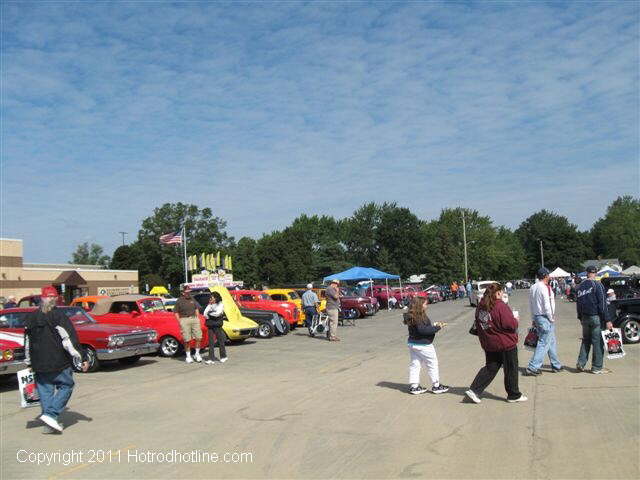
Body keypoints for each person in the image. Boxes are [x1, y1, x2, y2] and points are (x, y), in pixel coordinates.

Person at [24, 285, 89, 433]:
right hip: (58, 362)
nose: (53, 299)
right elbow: (69, 340)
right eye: (52, 297)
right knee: (67, 385)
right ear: (49, 298)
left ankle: (49, 425)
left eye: (53, 296)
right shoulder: (59, 316)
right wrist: (82, 357)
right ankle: (51, 415)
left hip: (39, 364)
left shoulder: (32, 317)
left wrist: (28, 361)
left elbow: (27, 342)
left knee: (45, 391)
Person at [465, 283, 526, 404]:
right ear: (498, 293)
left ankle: (474, 390)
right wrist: (516, 320)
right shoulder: (500, 306)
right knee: (511, 369)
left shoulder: (481, 306)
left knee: (491, 367)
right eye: (502, 292)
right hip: (505, 343)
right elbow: (510, 324)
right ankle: (513, 394)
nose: (503, 294)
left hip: (489, 343)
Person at [403, 297, 449, 395]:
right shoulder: (417, 316)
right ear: (419, 305)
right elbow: (422, 330)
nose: (426, 306)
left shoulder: (412, 315)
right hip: (423, 344)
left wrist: (433, 326)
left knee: (415, 364)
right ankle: (436, 386)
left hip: (413, 343)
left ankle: (414, 386)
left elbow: (422, 328)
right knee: (432, 363)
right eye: (425, 304)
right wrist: (437, 327)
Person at [525, 267, 563, 376]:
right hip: (545, 317)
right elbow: (547, 305)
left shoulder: (533, 287)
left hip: (537, 316)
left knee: (550, 341)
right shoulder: (545, 287)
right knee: (544, 342)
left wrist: (533, 318)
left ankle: (556, 365)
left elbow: (531, 304)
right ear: (546, 276)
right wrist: (551, 318)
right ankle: (533, 366)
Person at [576, 265, 612, 374]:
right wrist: (607, 319)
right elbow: (602, 304)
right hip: (595, 317)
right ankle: (597, 367)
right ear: (595, 273)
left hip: (584, 317)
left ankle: (581, 363)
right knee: (597, 342)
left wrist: (580, 317)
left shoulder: (580, 286)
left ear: (587, 273)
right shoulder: (598, 285)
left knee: (586, 340)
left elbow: (578, 304)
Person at [173, 287, 203, 363]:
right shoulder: (179, 301)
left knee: (198, 337)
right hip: (184, 319)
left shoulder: (192, 299)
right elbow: (175, 312)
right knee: (187, 339)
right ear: (183, 293)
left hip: (194, 319)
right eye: (187, 292)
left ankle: (197, 354)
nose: (189, 293)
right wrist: (180, 321)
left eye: (189, 292)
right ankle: (188, 356)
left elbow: (196, 308)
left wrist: (197, 317)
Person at [203, 292, 227, 364]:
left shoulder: (220, 304)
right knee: (211, 342)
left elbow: (217, 314)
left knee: (220, 341)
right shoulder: (209, 305)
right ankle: (211, 358)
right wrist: (210, 313)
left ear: (216, 298)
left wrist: (209, 314)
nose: (210, 299)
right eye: (210, 297)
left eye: (212, 297)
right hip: (210, 325)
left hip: (217, 325)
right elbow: (205, 313)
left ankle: (223, 356)